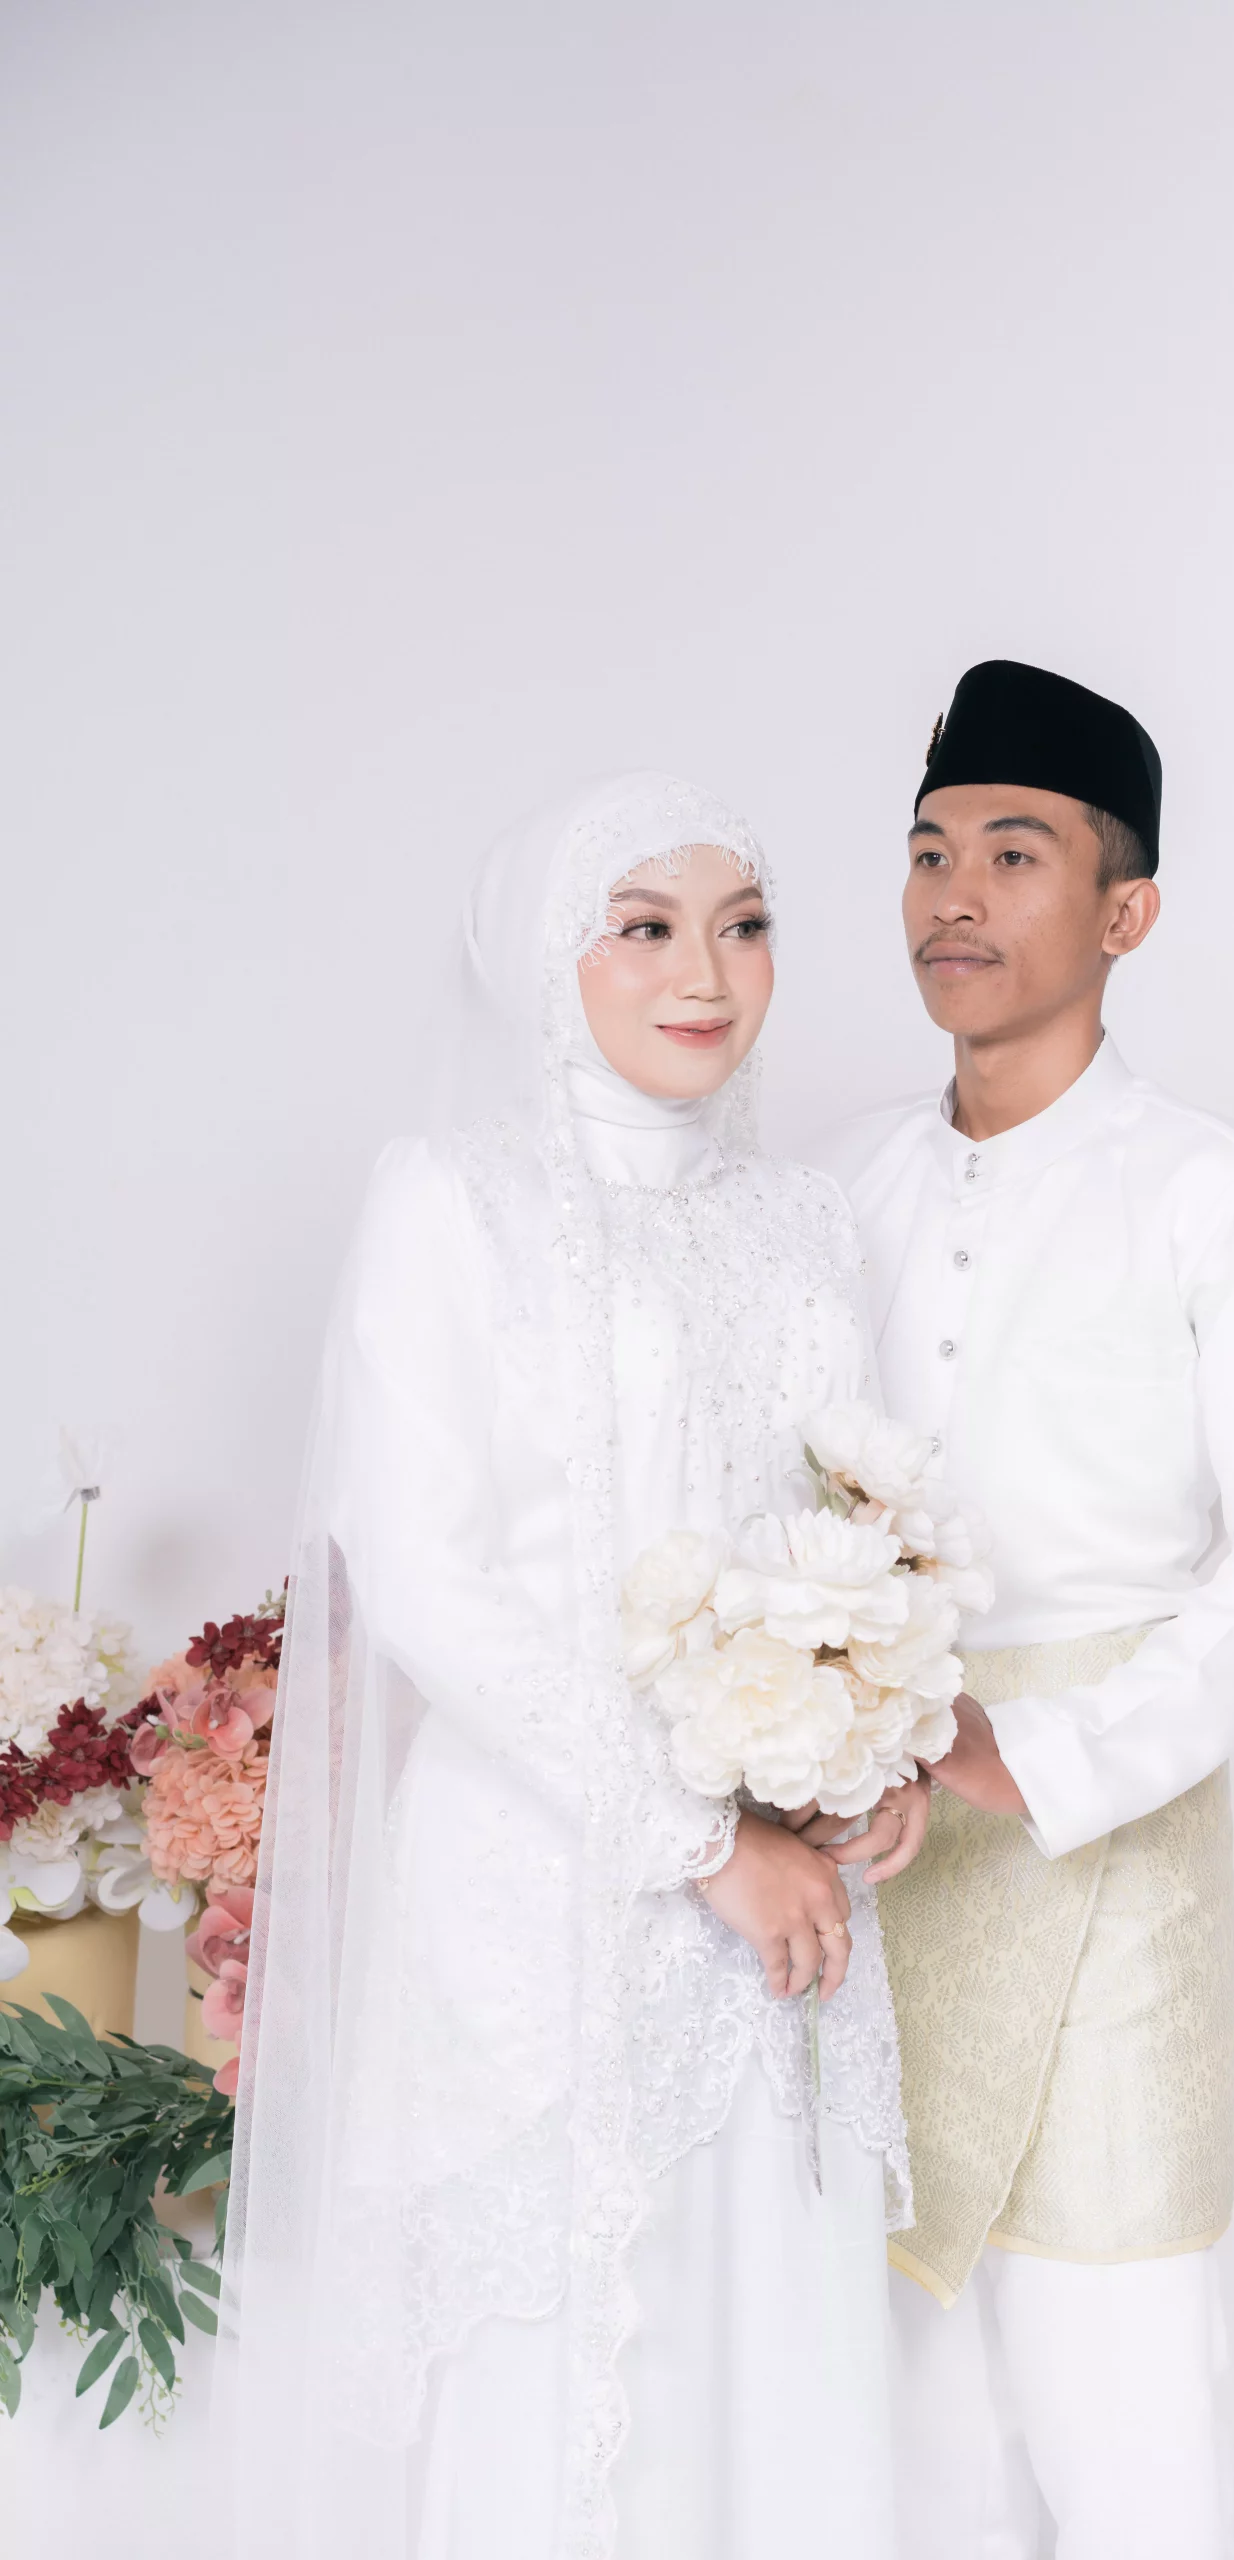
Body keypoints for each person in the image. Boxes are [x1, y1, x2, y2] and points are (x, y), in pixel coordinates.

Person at [221, 772, 925, 2559]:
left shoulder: (804, 1220)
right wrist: (695, 1840)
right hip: (541, 1880)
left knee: (767, 2344)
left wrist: (878, 1750)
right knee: (561, 2361)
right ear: (549, 956)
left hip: (782, 1893)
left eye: (744, 926)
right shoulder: (452, 1201)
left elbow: (852, 1518)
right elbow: (424, 1570)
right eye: (644, 927)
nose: (706, 972)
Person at [813, 662, 1234, 2559]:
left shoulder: (1215, 1195)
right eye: (926, 853)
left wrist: (1038, 1754)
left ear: (1124, 912)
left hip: (1105, 1846)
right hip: (865, 1837)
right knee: (897, 2382)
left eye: (1012, 853)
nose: (952, 898)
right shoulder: (838, 1189)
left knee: (1113, 2363)